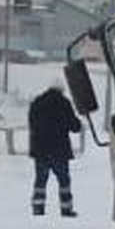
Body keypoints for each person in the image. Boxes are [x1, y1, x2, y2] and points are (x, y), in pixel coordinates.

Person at [28, 84, 82, 217]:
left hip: (40, 149)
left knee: (40, 180)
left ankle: (38, 207)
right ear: (61, 91)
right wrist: (78, 124)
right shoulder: (64, 103)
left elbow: (32, 123)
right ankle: (66, 209)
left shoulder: (37, 102)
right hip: (59, 150)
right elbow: (74, 126)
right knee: (64, 181)